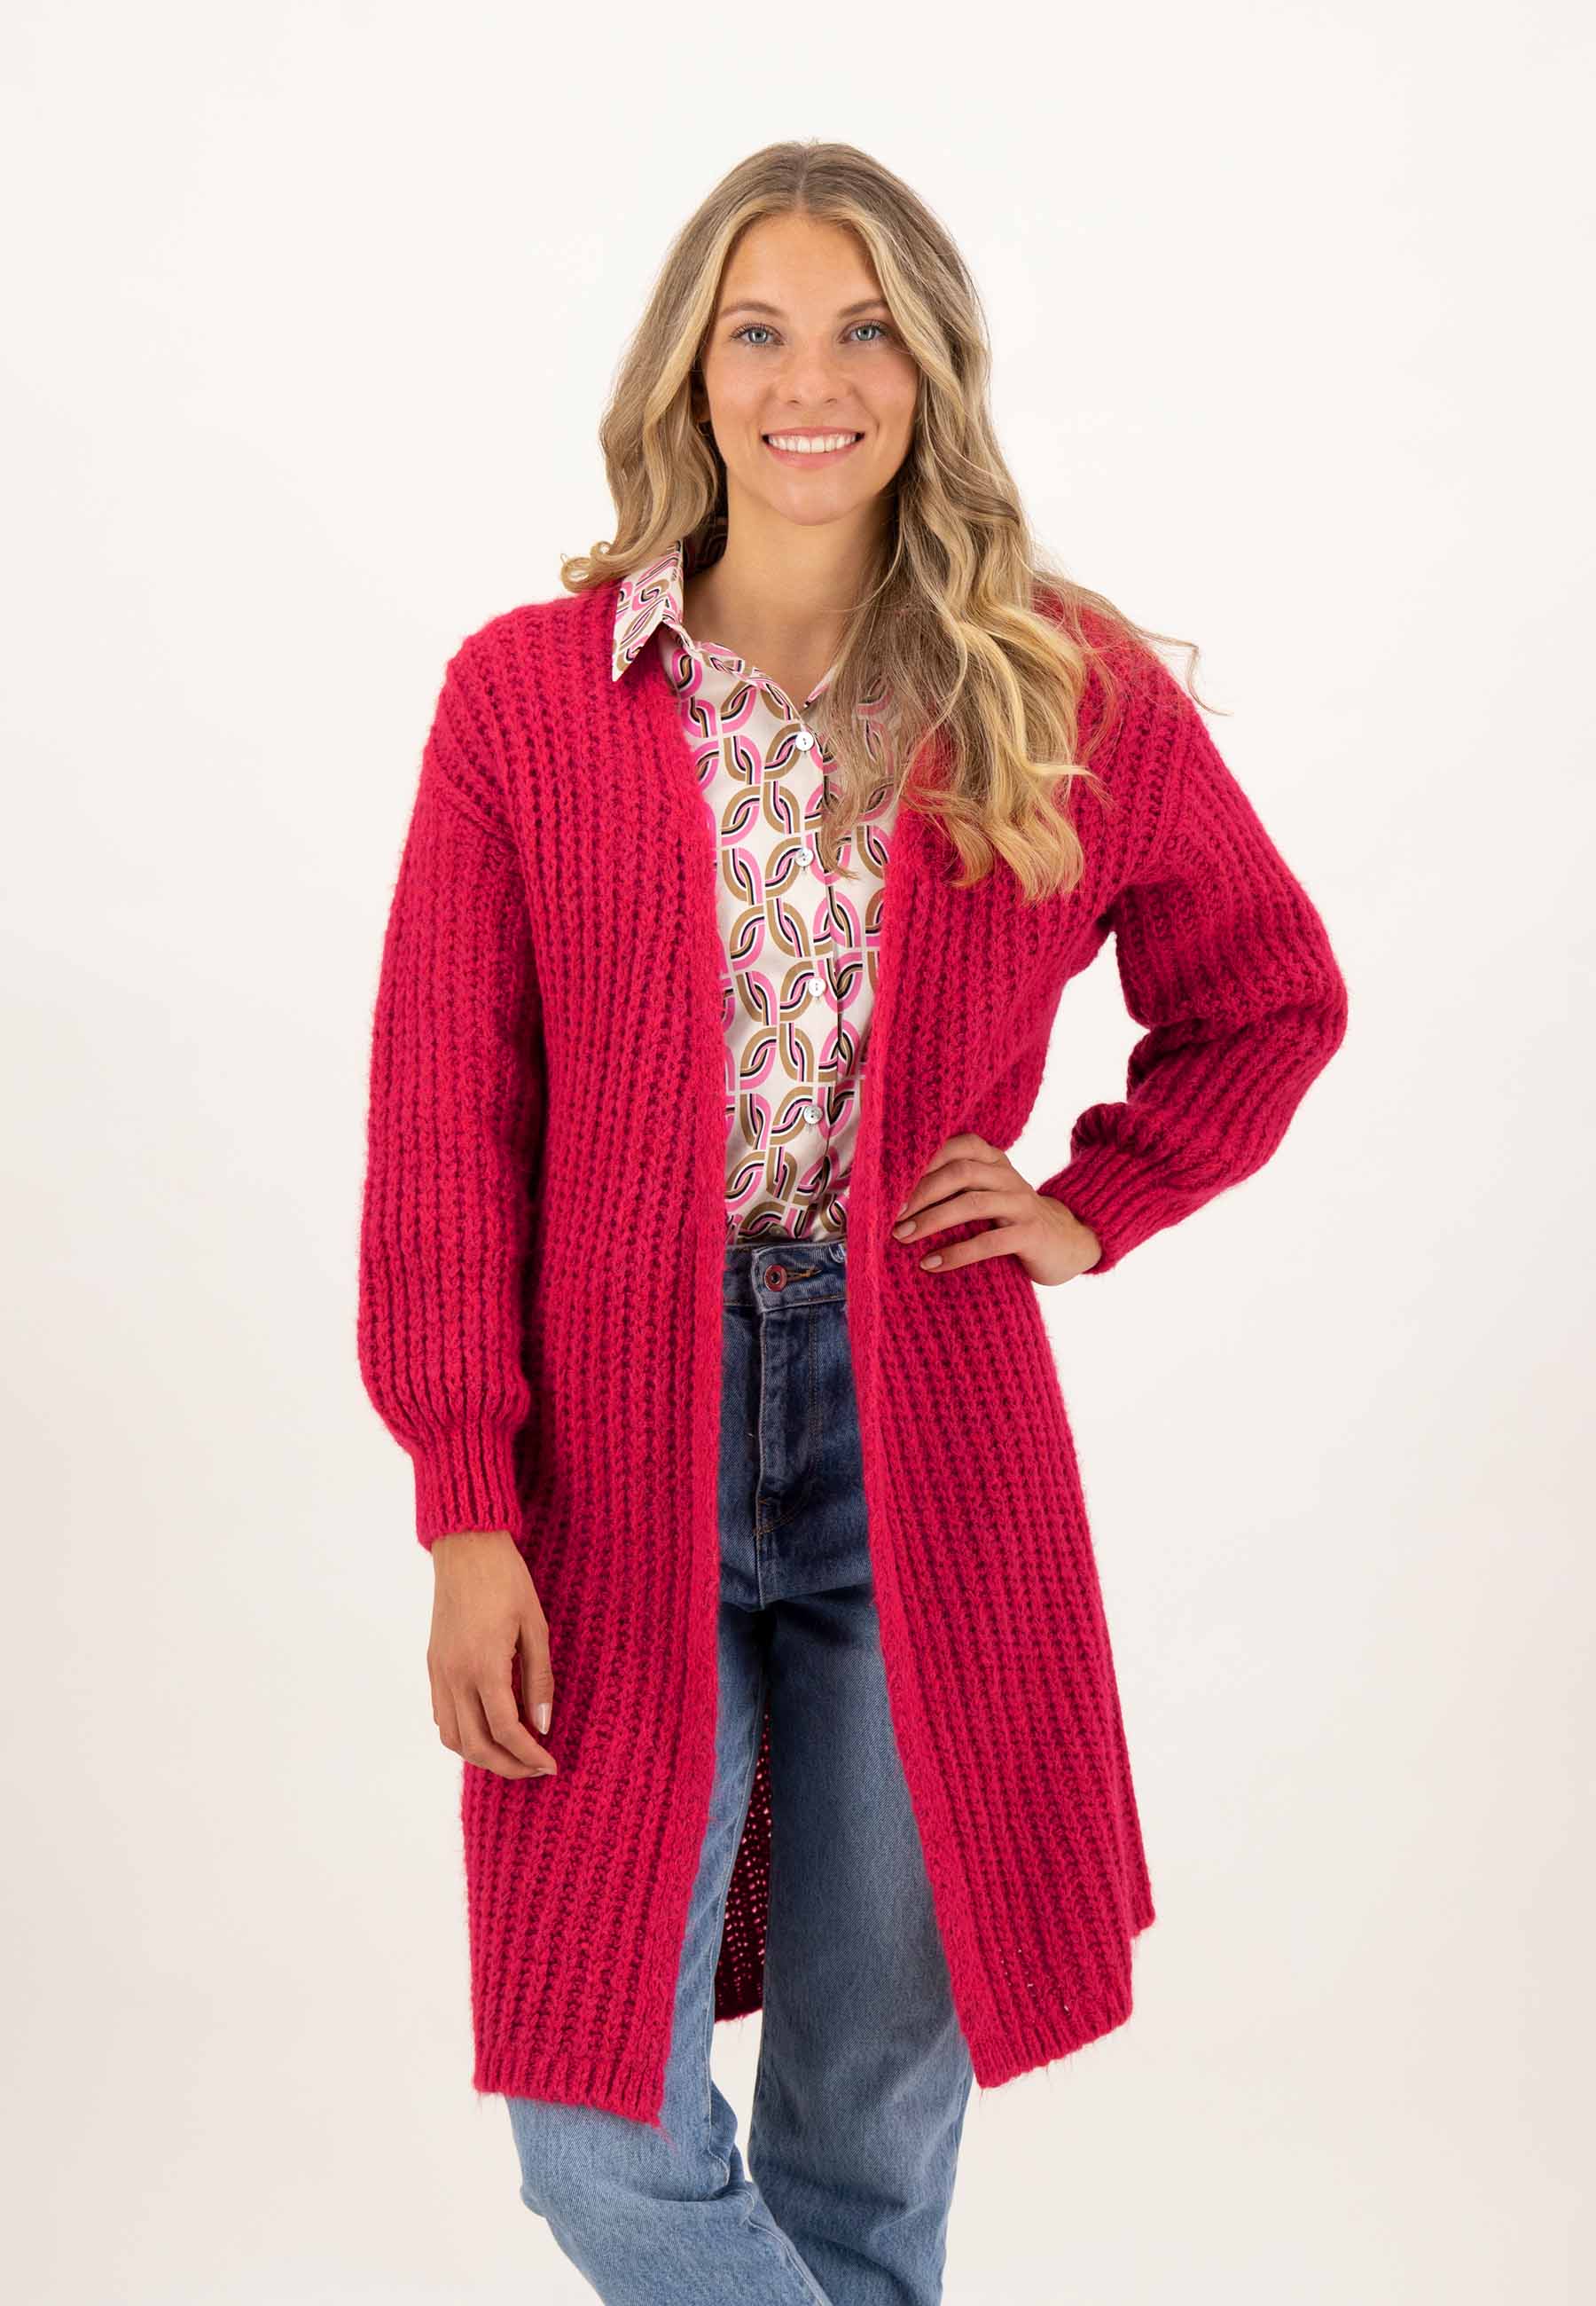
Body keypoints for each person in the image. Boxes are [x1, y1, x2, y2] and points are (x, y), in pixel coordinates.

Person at [356, 140, 1350, 2306]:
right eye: (762, 330)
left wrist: (1092, 1204)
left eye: (867, 329)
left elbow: (1269, 994)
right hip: (613, 1443)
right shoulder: (528, 697)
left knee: (869, 2122)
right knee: (597, 2129)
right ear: (690, 374)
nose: (813, 381)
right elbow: (445, 1126)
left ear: (933, 372)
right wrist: (464, 1507)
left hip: (929, 1432)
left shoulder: (1054, 685)